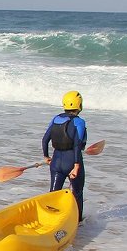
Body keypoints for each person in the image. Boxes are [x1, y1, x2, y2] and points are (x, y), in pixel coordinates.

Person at [42, 90, 87, 219]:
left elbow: (45, 139)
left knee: (53, 194)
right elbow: (77, 145)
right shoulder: (79, 122)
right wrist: (77, 165)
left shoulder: (56, 119)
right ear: (80, 105)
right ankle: (77, 222)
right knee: (77, 193)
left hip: (56, 162)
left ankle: (50, 221)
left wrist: (46, 157)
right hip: (72, 162)